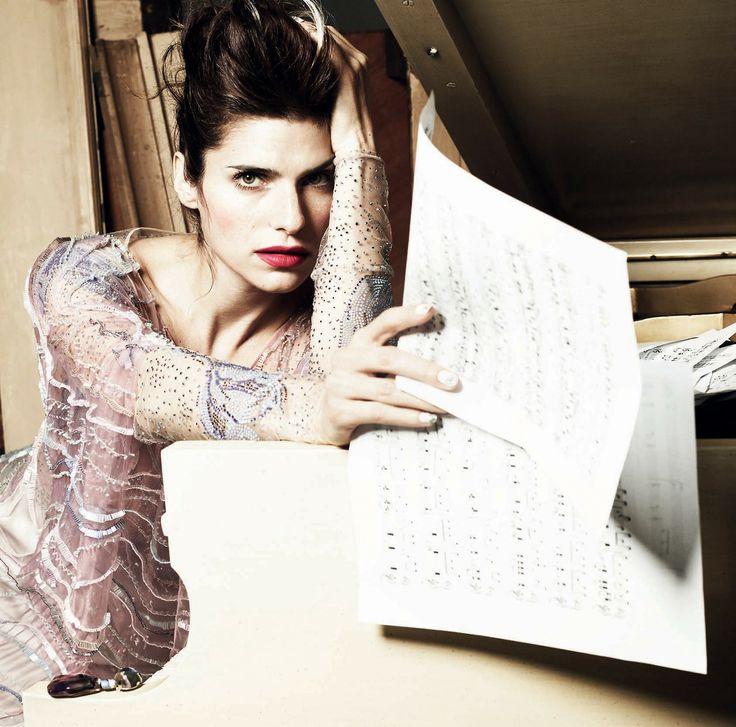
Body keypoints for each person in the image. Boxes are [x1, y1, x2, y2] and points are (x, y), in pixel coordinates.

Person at [0, 0, 457, 722]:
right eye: (251, 178)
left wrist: (360, 140)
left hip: (188, 663)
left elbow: (349, 388)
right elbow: (149, 386)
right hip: (24, 608)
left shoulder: (316, 343)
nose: (291, 218)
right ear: (189, 177)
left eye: (320, 178)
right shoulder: (80, 281)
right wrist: (318, 408)